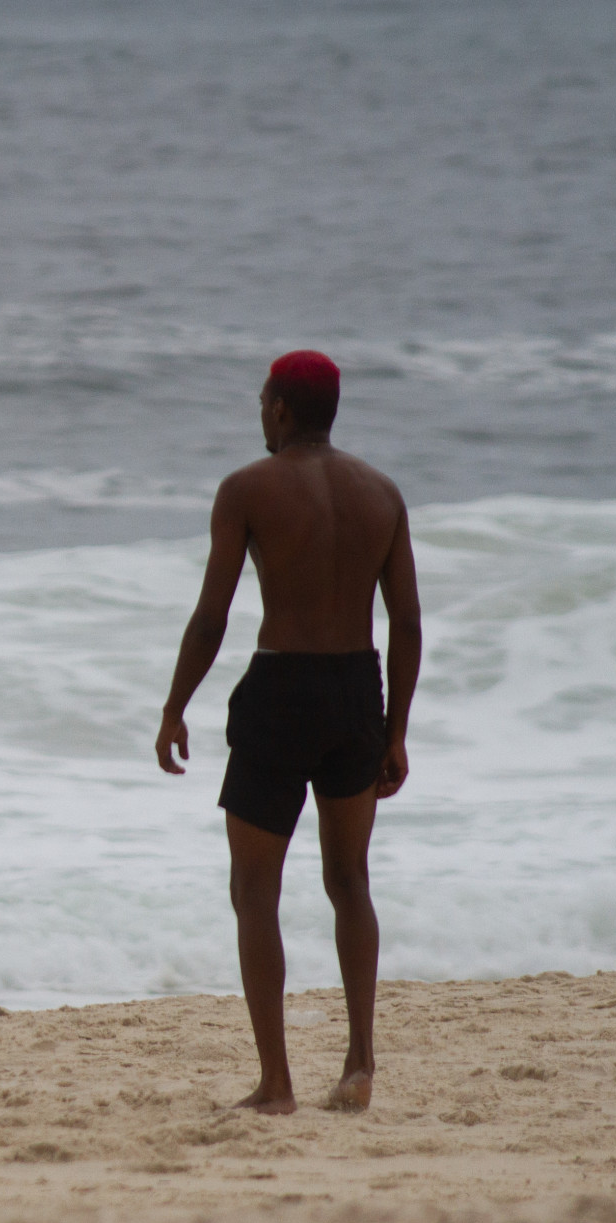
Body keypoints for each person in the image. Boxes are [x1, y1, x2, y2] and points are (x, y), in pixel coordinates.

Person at [155, 351, 421, 1115]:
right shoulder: (382, 493)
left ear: (279, 409)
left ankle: (276, 1084)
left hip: (281, 692)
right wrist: (395, 729)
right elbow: (405, 622)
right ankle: (360, 1061)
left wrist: (176, 705)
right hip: (355, 692)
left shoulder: (247, 489)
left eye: (262, 401)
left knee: (254, 890)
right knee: (350, 881)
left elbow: (213, 616)